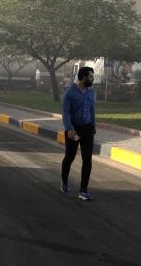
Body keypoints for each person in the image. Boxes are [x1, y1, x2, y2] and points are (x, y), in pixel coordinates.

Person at [61, 66, 96, 201]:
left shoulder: (91, 93)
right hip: (73, 129)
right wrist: (69, 128)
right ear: (83, 77)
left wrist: (93, 127)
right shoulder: (70, 93)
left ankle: (83, 191)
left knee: (87, 159)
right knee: (70, 157)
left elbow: (92, 111)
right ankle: (64, 181)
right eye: (90, 77)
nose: (92, 79)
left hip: (87, 129)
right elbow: (65, 113)